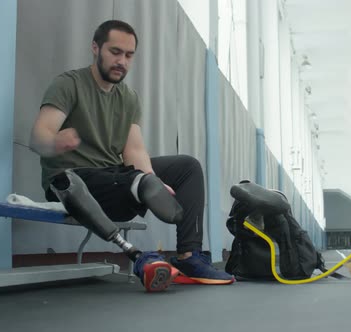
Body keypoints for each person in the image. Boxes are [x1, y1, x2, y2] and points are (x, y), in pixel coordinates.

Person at [29, 20, 234, 291]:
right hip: (71, 182)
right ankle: (141, 186)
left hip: (113, 176)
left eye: (128, 55)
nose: (122, 61)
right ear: (95, 48)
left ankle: (188, 256)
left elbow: (134, 149)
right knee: (132, 179)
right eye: (115, 52)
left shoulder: (127, 97)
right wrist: (55, 142)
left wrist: (151, 177)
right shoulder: (69, 84)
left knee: (187, 167)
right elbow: (38, 137)